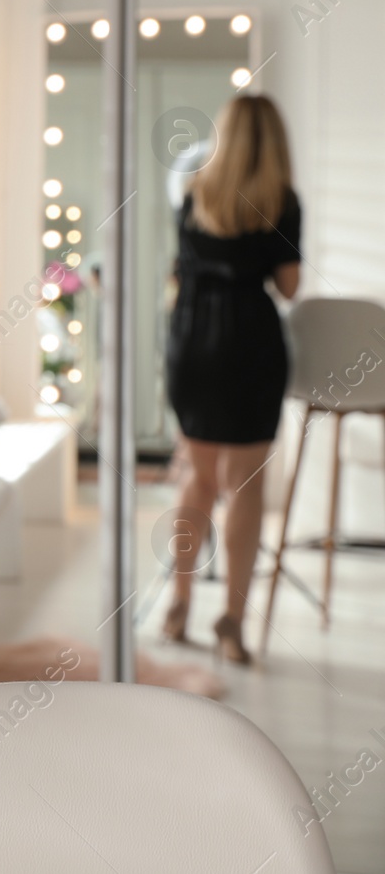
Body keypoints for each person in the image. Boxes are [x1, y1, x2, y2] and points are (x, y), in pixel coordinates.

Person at [162, 94, 301, 667]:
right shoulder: (282, 201)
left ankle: (178, 602)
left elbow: (180, 267)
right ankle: (232, 622)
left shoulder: (194, 188)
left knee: (197, 479)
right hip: (251, 346)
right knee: (246, 487)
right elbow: (289, 288)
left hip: (194, 343)